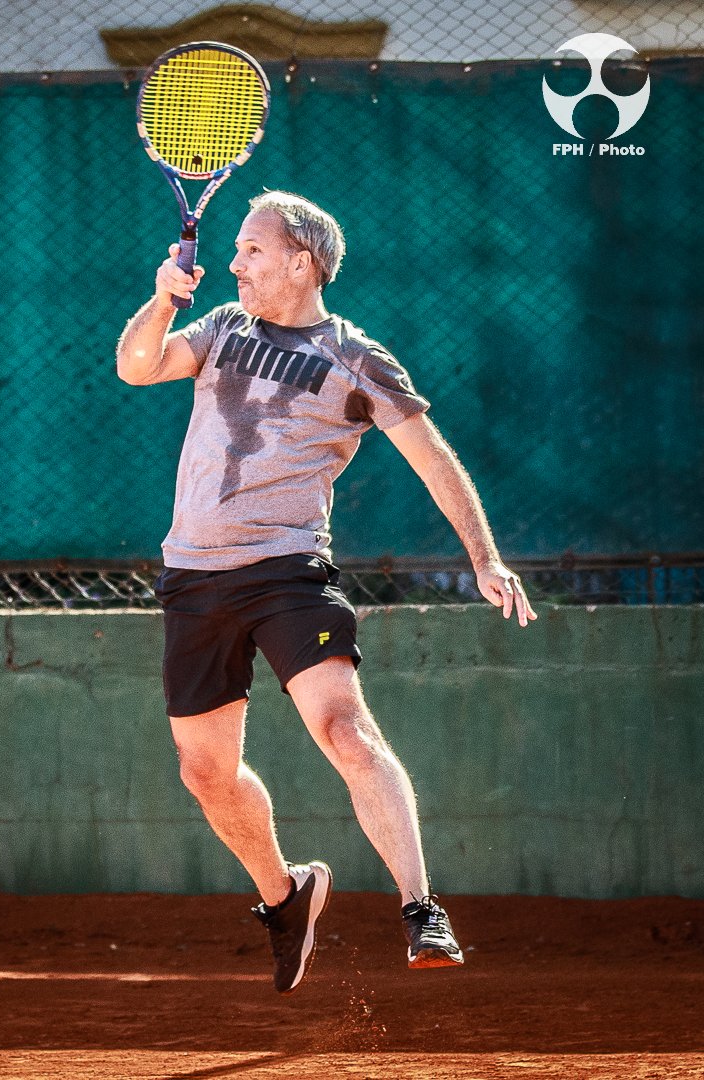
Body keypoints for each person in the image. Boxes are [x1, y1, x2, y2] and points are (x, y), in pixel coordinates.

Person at [115, 190, 537, 994]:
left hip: (287, 573)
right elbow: (137, 366)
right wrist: (163, 299)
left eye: (251, 251)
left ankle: (421, 908)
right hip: (195, 578)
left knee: (344, 729)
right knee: (205, 774)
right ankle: (285, 897)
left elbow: (433, 457)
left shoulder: (357, 359)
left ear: (300, 263)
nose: (233, 264)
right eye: (234, 250)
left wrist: (484, 556)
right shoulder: (219, 330)